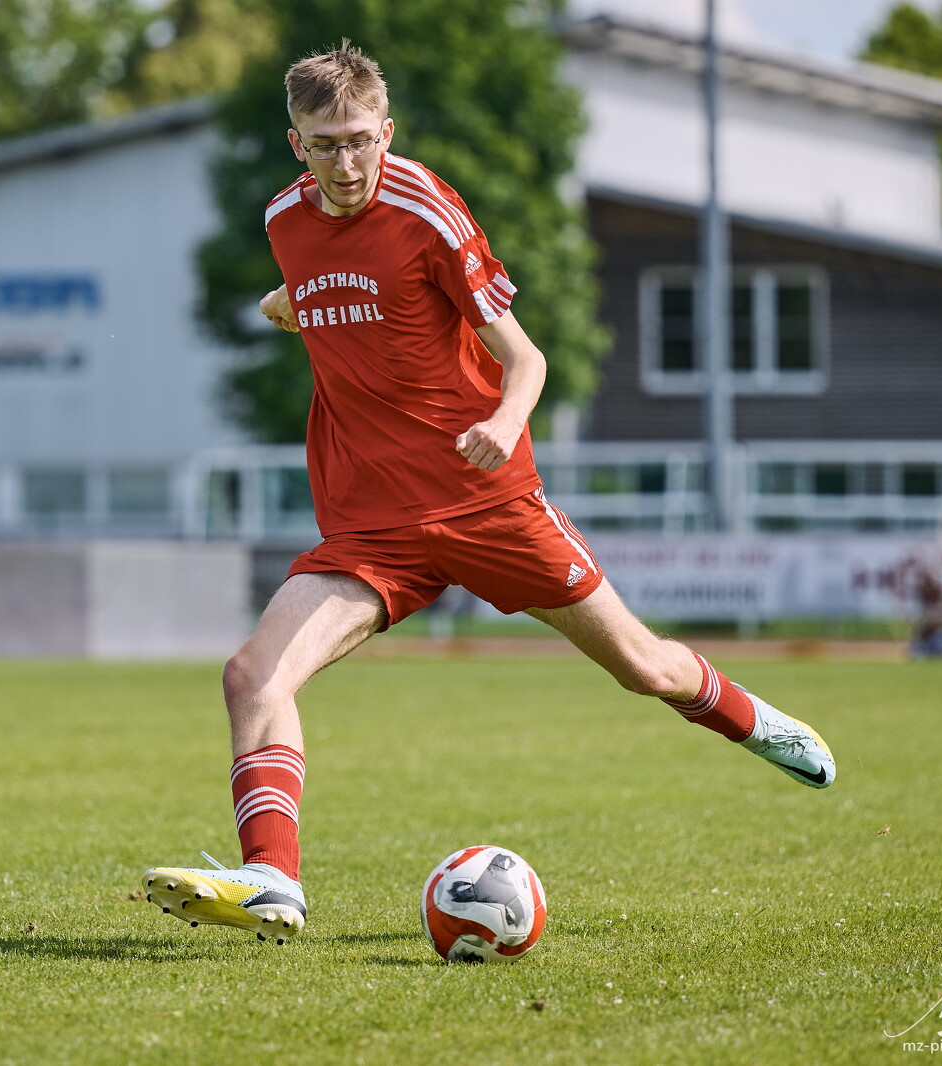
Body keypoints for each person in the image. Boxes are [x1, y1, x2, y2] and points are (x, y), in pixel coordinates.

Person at [142, 42, 835, 944]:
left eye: (360, 140)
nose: (347, 164)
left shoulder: (427, 209)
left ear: (387, 132)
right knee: (252, 674)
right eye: (326, 145)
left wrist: (505, 423)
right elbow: (333, 287)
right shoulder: (284, 219)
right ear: (295, 144)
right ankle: (272, 879)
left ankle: (761, 723)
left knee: (645, 668)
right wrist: (291, 301)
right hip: (374, 524)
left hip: (487, 501)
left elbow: (526, 357)